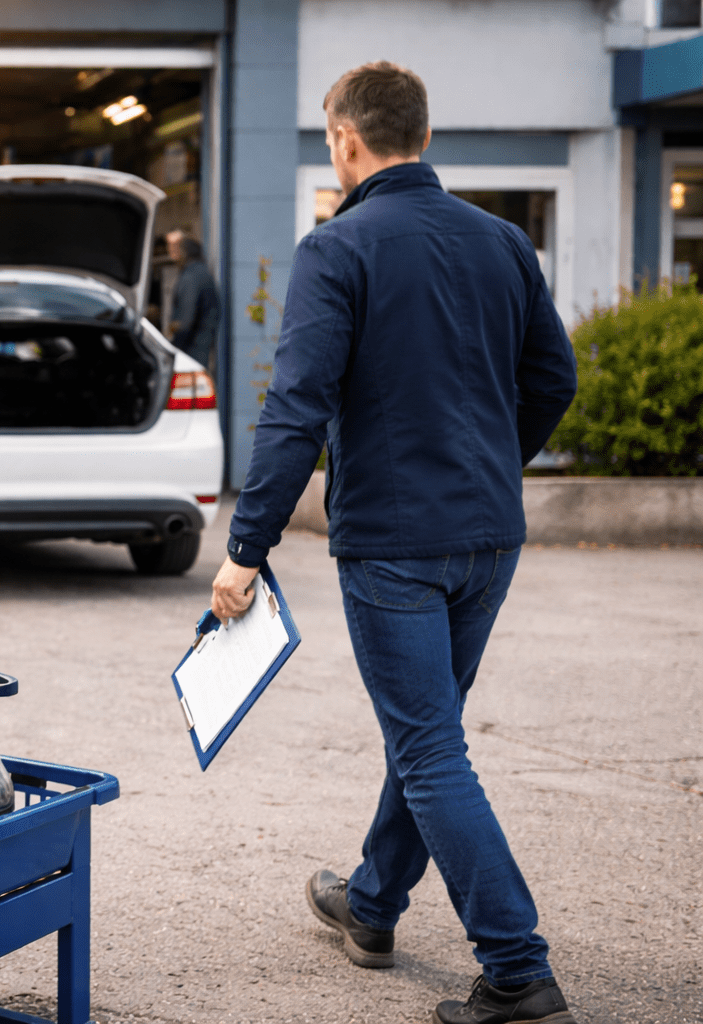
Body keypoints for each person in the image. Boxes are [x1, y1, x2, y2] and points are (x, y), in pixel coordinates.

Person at [208, 62, 578, 1024]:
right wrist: (497, 462)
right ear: (422, 133)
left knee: (427, 748)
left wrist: (246, 550)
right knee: (430, 733)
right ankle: (372, 905)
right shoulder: (505, 242)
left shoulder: (338, 249)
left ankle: (518, 971)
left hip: (394, 547)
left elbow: (296, 410)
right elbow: (555, 380)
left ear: (344, 139)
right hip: (489, 538)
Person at [165, 230, 221, 372]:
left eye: (176, 245)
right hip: (201, 351)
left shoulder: (191, 277)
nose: (171, 250)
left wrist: (171, 347)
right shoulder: (200, 272)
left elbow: (185, 321)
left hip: (191, 353)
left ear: (185, 249)